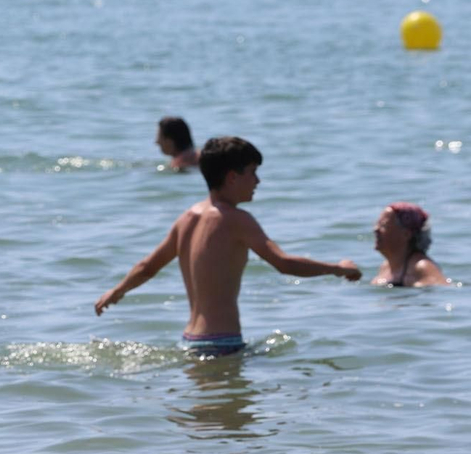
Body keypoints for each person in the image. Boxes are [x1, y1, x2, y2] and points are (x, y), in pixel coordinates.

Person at [94, 136, 361, 356]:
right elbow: (284, 263)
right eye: (253, 173)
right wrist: (338, 268)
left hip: (189, 341)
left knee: (206, 418)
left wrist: (117, 291)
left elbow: (147, 266)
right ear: (232, 177)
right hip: (222, 343)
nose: (258, 182)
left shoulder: (187, 218)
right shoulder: (236, 220)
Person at [370, 202, 449, 287]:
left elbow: (443, 290)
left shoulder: (421, 267)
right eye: (377, 224)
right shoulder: (385, 267)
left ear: (406, 234)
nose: (376, 229)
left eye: (383, 225)